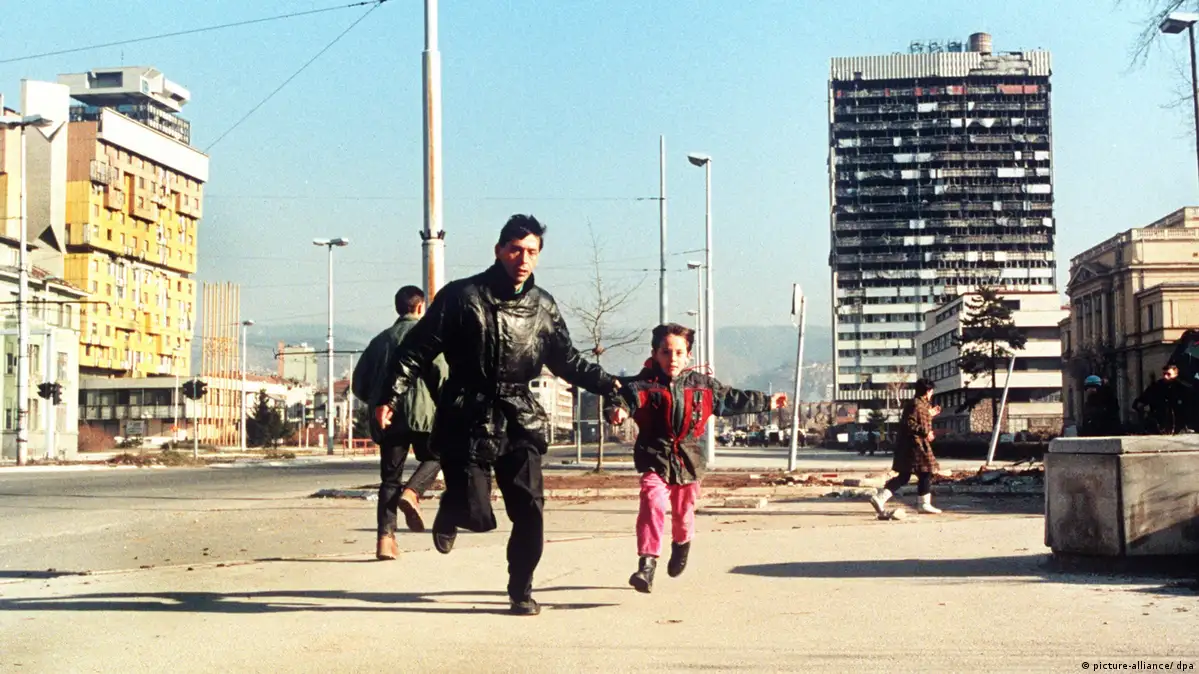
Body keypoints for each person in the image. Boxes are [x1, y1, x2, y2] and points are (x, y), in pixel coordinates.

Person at [374, 214, 620, 616]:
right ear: (499, 250)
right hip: (468, 415)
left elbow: (568, 361)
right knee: (478, 514)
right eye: (515, 250)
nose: (523, 259)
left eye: (532, 252)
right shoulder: (461, 296)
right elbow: (416, 350)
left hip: (519, 418)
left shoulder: (543, 306)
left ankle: (520, 589)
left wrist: (610, 384)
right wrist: (390, 395)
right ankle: (453, 509)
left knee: (530, 512)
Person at [606, 323, 785, 594]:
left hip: (689, 459)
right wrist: (617, 411)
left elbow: (733, 399)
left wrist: (767, 401)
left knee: (683, 512)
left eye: (679, 352)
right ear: (655, 354)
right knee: (652, 500)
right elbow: (622, 399)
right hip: (655, 455)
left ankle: (681, 544)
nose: (672, 358)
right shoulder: (643, 385)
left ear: (688, 356)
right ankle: (647, 564)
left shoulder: (702, 386)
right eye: (666, 352)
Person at [353, 285, 447, 561]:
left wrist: (377, 402)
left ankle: (385, 539)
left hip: (388, 418)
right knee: (437, 455)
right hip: (423, 415)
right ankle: (413, 492)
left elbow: (359, 384)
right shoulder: (429, 335)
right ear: (420, 307)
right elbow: (441, 375)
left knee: (389, 479)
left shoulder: (379, 342)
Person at [869, 378, 943, 516]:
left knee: (905, 475)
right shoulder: (916, 404)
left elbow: (918, 419)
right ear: (927, 391)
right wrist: (926, 432)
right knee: (926, 471)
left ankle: (880, 498)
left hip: (912, 444)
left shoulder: (920, 405)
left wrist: (930, 414)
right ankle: (923, 504)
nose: (932, 394)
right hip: (915, 445)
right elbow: (909, 423)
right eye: (931, 391)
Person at [1133, 365, 1189, 435]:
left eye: (1169, 374)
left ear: (1175, 375)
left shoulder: (1182, 389)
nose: (1166, 377)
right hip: (1158, 426)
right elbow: (1140, 401)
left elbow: (1190, 407)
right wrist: (1142, 410)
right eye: (1164, 374)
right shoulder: (1156, 387)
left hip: (1179, 428)